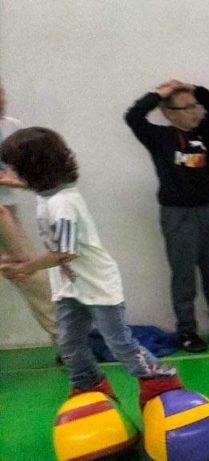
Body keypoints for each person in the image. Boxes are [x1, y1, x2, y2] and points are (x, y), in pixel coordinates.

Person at [0, 127, 182, 406]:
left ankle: (161, 380)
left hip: (96, 284)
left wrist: (27, 267)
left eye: (14, 167)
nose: (11, 172)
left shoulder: (63, 204)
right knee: (69, 343)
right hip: (70, 287)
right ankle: (89, 385)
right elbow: (39, 190)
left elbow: (64, 253)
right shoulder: (50, 192)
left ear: (32, 167)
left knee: (118, 342)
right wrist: (16, 183)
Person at [124, 80, 209, 353]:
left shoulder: (205, 134)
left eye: (195, 107)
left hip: (207, 213)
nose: (195, 113)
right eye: (187, 108)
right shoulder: (159, 138)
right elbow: (132, 117)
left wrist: (194, 88)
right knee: (184, 276)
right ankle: (187, 332)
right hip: (177, 216)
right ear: (168, 113)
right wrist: (159, 93)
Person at [0, 78, 59, 351]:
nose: (2, 99)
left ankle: (66, 338)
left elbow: (27, 175)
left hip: (5, 208)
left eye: (1, 92)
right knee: (26, 268)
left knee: (26, 269)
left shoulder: (11, 128)